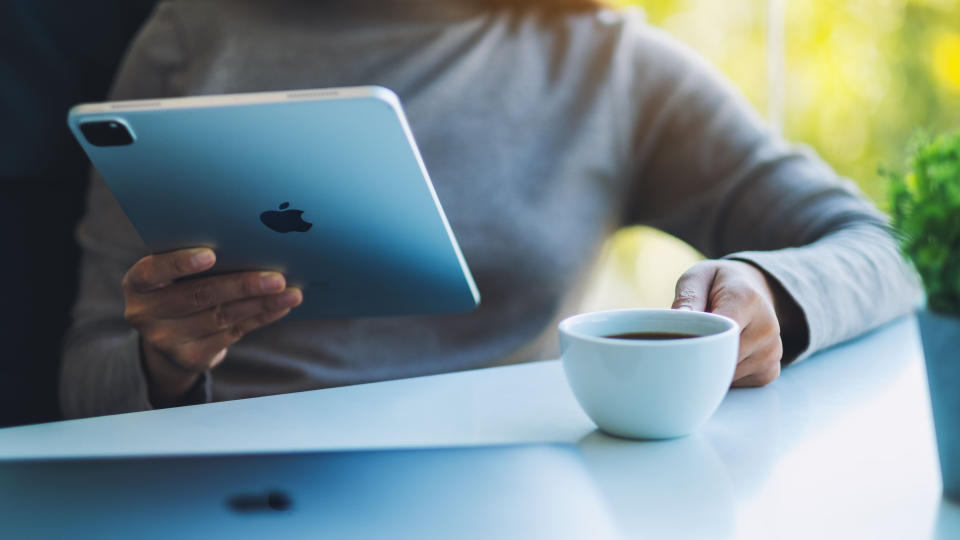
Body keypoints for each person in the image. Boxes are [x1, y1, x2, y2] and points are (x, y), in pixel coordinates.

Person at [60, 0, 919, 418]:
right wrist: (164, 361)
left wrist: (773, 294)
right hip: (231, 488)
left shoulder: (607, 64)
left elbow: (885, 248)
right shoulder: (194, 35)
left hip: (500, 486)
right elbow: (83, 379)